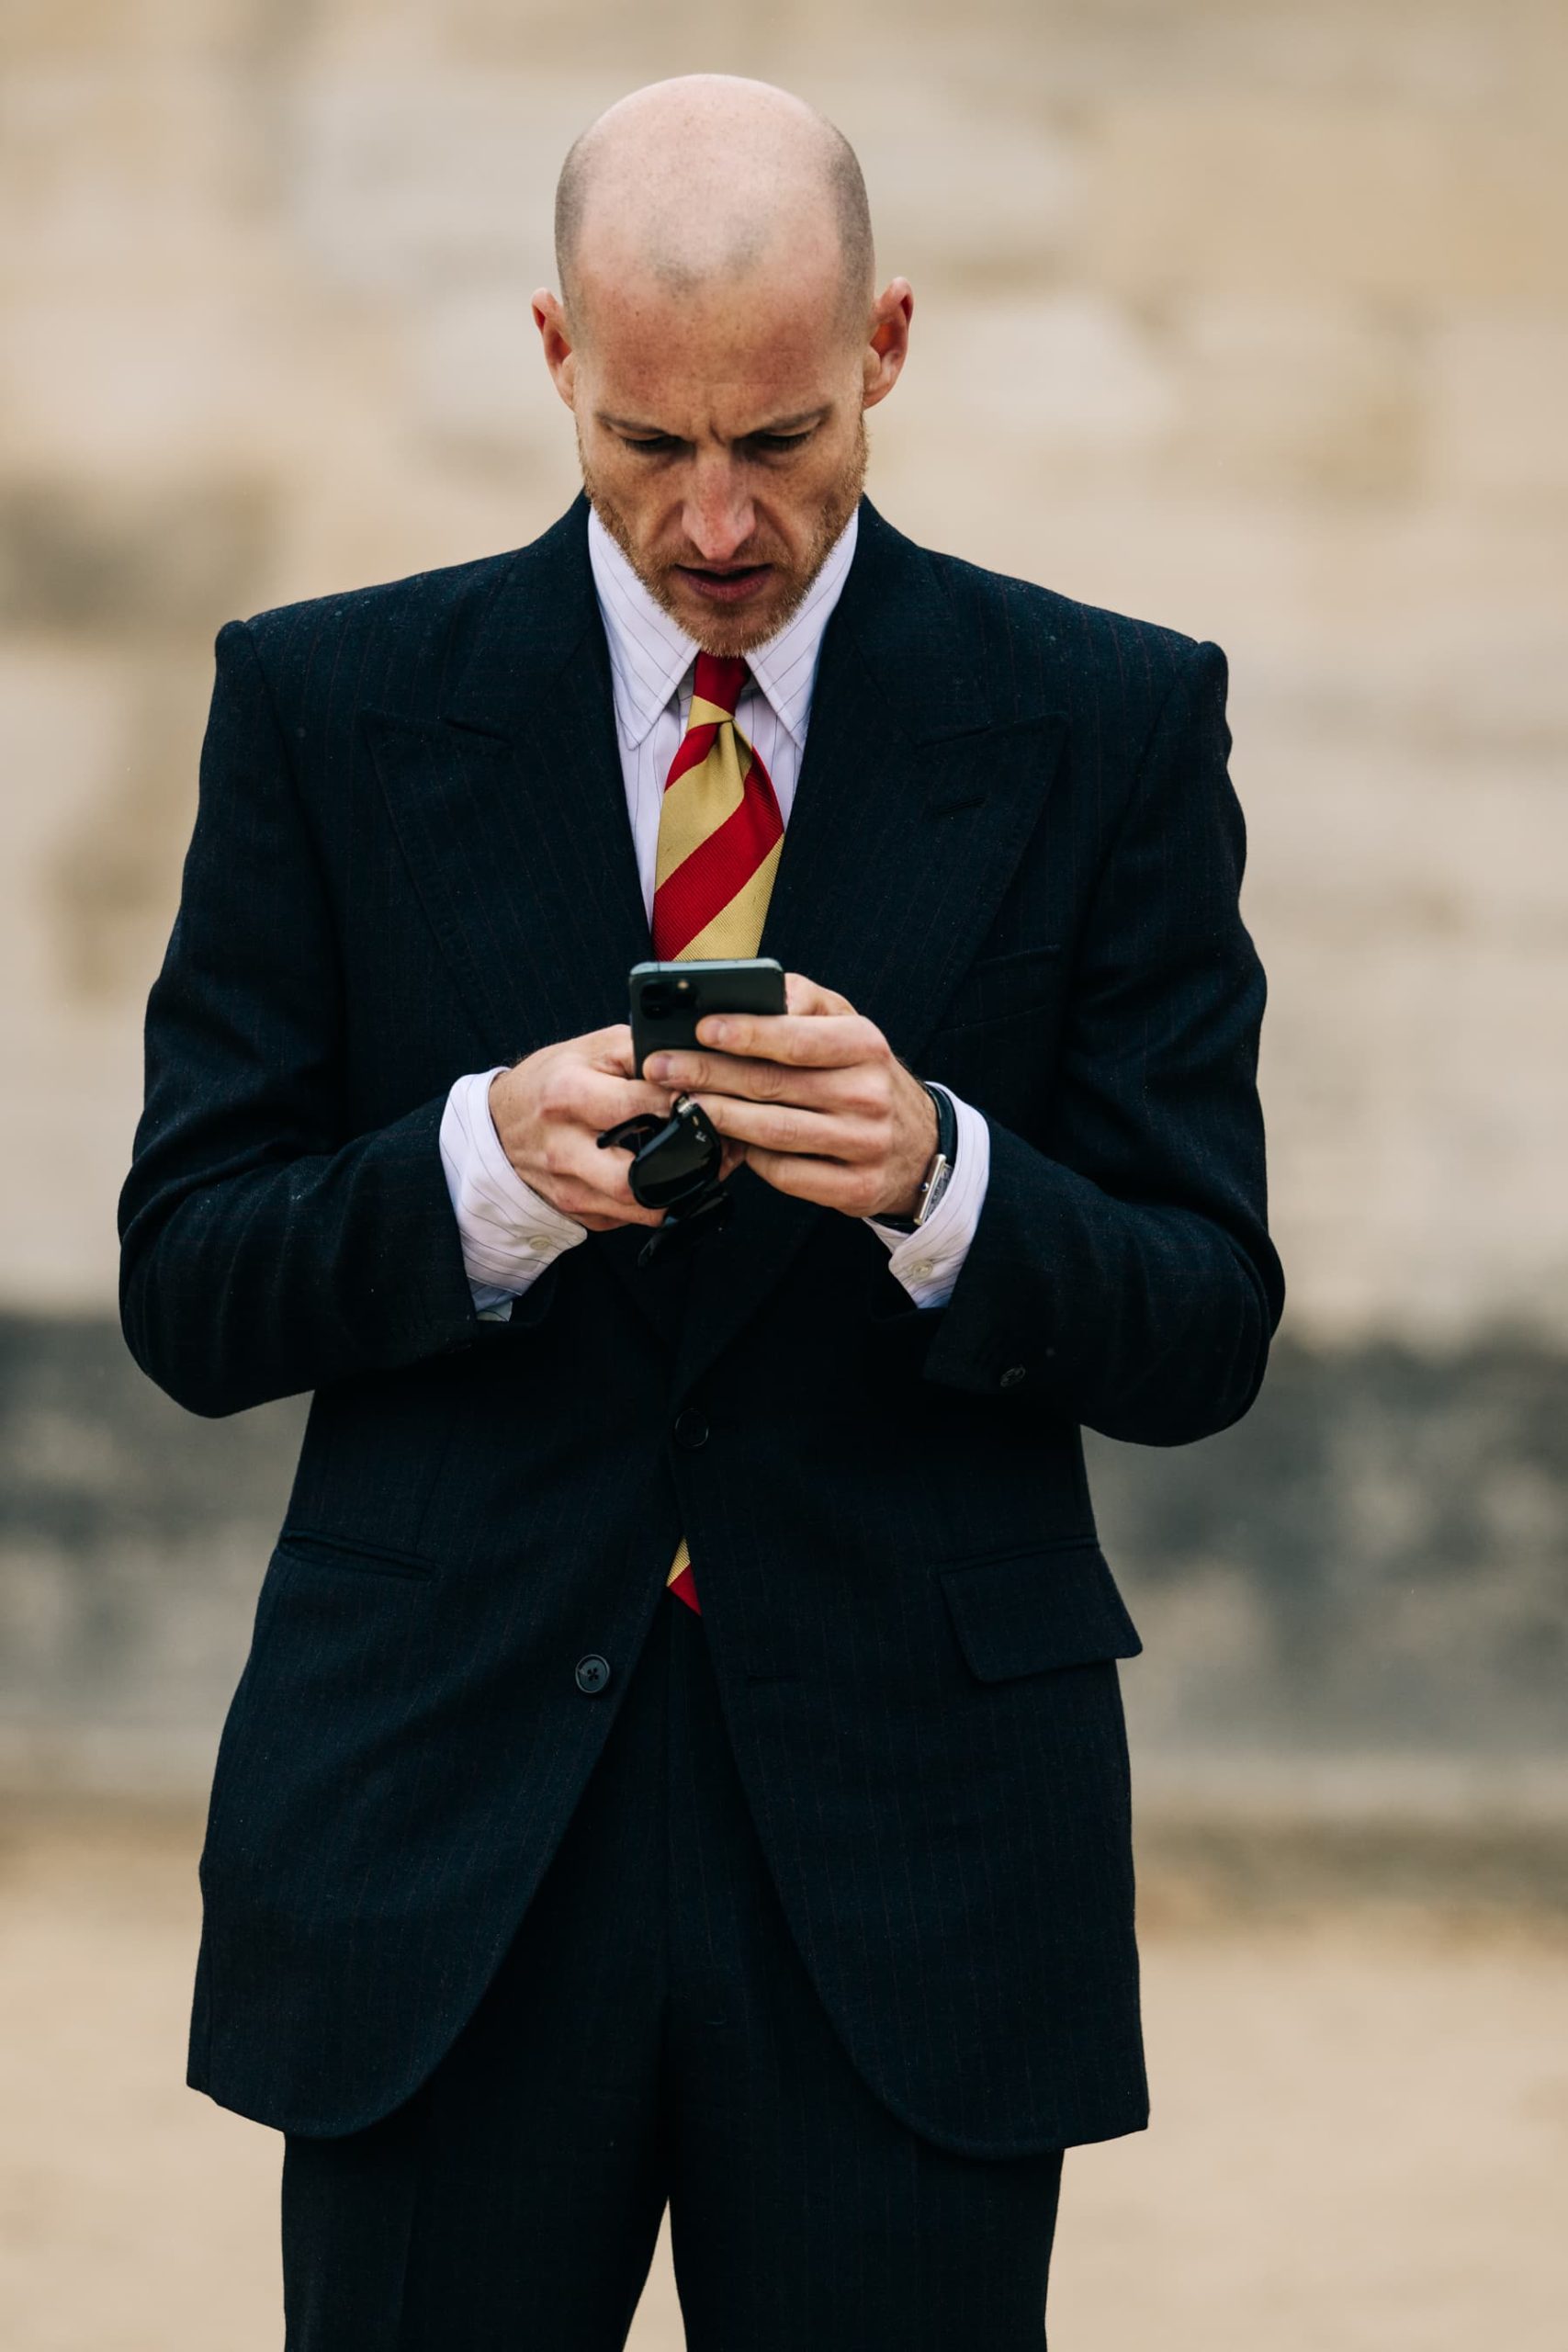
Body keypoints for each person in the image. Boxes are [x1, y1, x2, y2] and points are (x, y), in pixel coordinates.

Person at [118, 72, 1283, 2352]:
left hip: (913, 1845)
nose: (719, 518)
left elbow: (1203, 1313)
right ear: (554, 353)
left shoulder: (1110, 720)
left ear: (890, 347)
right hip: (440, 1827)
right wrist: (472, 1174)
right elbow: (186, 1278)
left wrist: (947, 1183)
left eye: (782, 434)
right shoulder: (321, 708)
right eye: (652, 443)